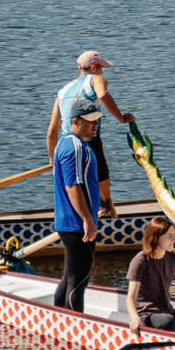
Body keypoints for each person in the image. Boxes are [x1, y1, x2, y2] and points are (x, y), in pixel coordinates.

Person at [45, 51, 126, 219]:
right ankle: (105, 213)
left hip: (65, 144)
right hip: (88, 139)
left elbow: (52, 133)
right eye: (101, 68)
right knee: (101, 185)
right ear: (94, 67)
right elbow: (102, 95)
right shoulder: (96, 79)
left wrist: (53, 159)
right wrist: (122, 118)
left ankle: (83, 214)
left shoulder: (63, 91)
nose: (102, 72)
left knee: (75, 183)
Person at [51, 105, 104, 313]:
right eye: (90, 120)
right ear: (75, 121)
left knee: (69, 278)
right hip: (77, 224)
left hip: (71, 222)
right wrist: (87, 220)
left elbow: (84, 184)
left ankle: (59, 319)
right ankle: (75, 324)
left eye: (96, 120)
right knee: (78, 283)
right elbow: (72, 187)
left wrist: (100, 203)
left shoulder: (67, 141)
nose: (95, 124)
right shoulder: (74, 147)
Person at [122, 217, 175, 331]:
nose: (174, 239)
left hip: (167, 310)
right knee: (168, 321)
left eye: (174, 234)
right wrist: (135, 318)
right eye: (170, 235)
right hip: (146, 314)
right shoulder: (140, 260)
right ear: (156, 237)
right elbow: (131, 297)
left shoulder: (174, 255)